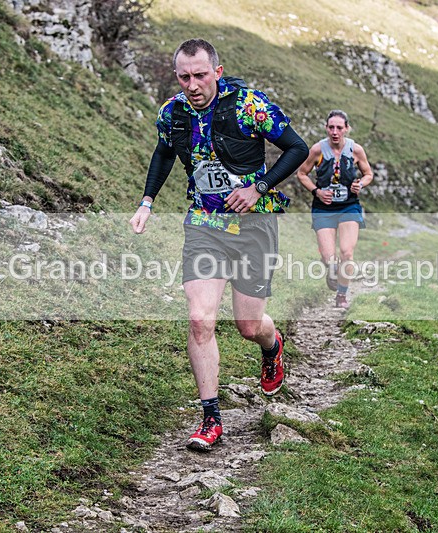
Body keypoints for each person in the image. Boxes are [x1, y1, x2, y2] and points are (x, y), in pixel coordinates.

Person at [129, 39, 308, 451]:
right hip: (204, 225)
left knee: (249, 326)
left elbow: (296, 147)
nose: (192, 85)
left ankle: (272, 345)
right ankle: (211, 419)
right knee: (200, 319)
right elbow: (163, 154)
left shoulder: (249, 105)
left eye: (200, 75)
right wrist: (146, 202)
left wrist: (257, 187)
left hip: (254, 225)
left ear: (217, 72)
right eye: (184, 76)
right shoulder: (172, 113)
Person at [296, 110, 373, 309]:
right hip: (324, 208)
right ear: (326, 128)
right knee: (328, 258)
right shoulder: (317, 150)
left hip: (349, 206)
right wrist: (316, 191)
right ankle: (332, 269)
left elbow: (368, 174)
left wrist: (361, 185)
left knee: (347, 252)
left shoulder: (356, 150)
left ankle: (341, 295)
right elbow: (302, 174)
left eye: (339, 127)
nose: (335, 131)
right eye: (331, 127)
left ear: (346, 129)